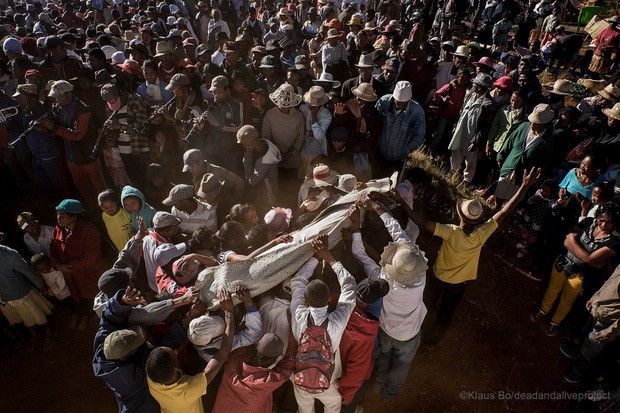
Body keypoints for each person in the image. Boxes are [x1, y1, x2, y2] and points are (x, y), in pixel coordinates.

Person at [397, 168, 542, 345]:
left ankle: (411, 335)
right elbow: (505, 211)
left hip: (438, 277)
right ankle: (430, 343)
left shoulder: (450, 232)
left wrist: (401, 201)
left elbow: (421, 221)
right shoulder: (482, 234)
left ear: (460, 215)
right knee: (445, 315)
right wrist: (523, 188)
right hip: (458, 285)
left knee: (425, 305)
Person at [348, 198, 427, 403]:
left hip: (385, 328)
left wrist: (357, 227)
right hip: (409, 334)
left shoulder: (381, 279)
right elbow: (400, 234)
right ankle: (389, 396)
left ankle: (376, 386)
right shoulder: (420, 278)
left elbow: (360, 254)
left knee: (383, 358)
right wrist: (377, 208)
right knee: (401, 366)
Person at [290, 234, 356, 413]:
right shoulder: (337, 320)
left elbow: (297, 281)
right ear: (329, 299)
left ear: (305, 299)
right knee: (333, 405)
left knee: (304, 406)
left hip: (300, 374)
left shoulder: (298, 312)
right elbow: (349, 286)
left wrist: (315, 258)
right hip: (328, 377)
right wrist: (330, 258)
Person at [532, 203, 620, 336]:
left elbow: (586, 256)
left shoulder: (614, 242)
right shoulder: (587, 222)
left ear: (615, 224)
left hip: (580, 275)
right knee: (552, 289)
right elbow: (566, 241)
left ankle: (555, 323)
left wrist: (573, 242)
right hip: (563, 264)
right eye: (601, 220)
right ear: (597, 217)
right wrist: (585, 255)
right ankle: (542, 310)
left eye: (609, 222)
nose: (603, 224)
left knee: (567, 301)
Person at [146, 289, 235, 413]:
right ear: (177, 369)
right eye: (175, 354)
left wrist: (191, 315)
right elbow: (222, 355)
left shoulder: (153, 377)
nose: (175, 350)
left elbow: (172, 346)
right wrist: (229, 312)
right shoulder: (188, 390)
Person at [93, 287, 161, 413]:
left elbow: (108, 319)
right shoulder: (134, 376)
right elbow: (161, 359)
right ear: (126, 357)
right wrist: (180, 329)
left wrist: (122, 302)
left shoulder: (104, 343)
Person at [43, 80, 106, 210]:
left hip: (88, 157)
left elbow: (78, 135)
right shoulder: (57, 108)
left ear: (69, 94)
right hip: (72, 158)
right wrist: (45, 128)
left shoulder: (83, 111)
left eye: (59, 96)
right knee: (82, 187)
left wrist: (53, 128)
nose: (56, 99)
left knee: (100, 187)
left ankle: (107, 209)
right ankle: (93, 210)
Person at [50, 199, 105, 331]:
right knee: (80, 296)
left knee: (96, 294)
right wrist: (57, 265)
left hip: (90, 273)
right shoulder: (58, 230)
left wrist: (68, 266)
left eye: (62, 215)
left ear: (74, 216)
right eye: (58, 214)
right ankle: (87, 315)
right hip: (73, 276)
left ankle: (100, 315)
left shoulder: (88, 230)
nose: (59, 218)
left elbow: (90, 256)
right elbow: (53, 249)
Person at [561, 264, 620, 384]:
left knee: (591, 347)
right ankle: (575, 353)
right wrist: (595, 297)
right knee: (586, 334)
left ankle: (579, 370)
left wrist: (610, 331)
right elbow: (611, 280)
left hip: (609, 321)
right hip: (599, 308)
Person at [211, 332, 297, 413]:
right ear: (273, 360)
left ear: (255, 347)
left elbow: (245, 348)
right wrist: (293, 334)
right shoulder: (266, 381)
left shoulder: (233, 361)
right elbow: (288, 365)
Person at [493, 104, 555, 203]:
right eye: (531, 122)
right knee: (499, 196)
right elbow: (509, 142)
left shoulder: (548, 141)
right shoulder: (523, 127)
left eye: (536, 123)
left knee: (512, 202)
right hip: (509, 168)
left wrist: (538, 177)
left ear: (545, 124)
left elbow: (544, 163)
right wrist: (500, 157)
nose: (532, 125)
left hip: (522, 176)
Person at [0, 244, 54, 351]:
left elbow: (28, 271)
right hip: (4, 298)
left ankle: (49, 332)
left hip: (22, 294)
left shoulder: (9, 254)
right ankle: (34, 334)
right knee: (24, 317)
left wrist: (40, 284)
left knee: (38, 314)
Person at [375, 81, 426, 175]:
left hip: (398, 157)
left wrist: (406, 150)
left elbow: (419, 135)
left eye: (404, 104)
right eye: (398, 103)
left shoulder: (417, 112)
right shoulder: (384, 102)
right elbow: (375, 122)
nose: (400, 106)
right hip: (379, 151)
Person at [237, 125, 282, 213]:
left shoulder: (265, 162)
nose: (243, 146)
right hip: (263, 190)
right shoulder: (264, 143)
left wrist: (247, 158)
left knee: (267, 212)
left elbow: (251, 180)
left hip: (266, 196)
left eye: (243, 143)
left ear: (250, 143)